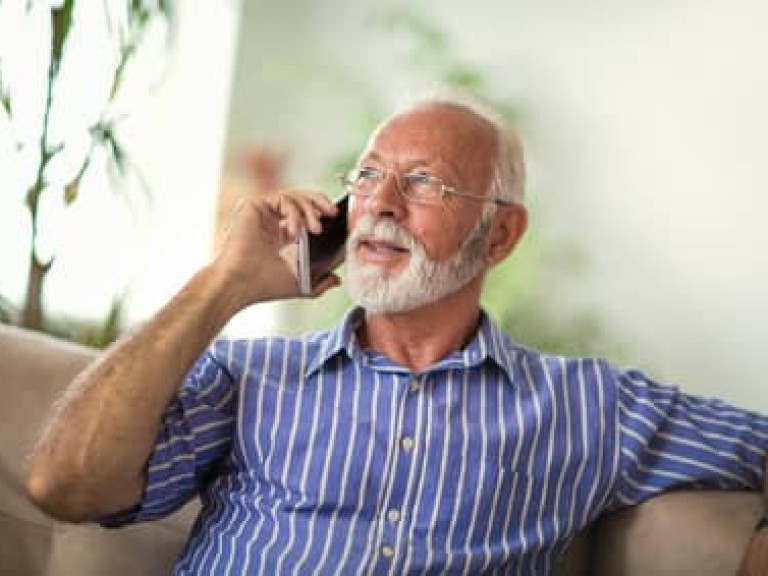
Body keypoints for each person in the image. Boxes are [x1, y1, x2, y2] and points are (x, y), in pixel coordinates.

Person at [25, 89, 768, 575]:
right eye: (367, 175)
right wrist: (224, 284)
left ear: (500, 234)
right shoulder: (248, 376)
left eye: (423, 183)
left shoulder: (589, 406)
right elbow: (63, 486)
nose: (378, 203)